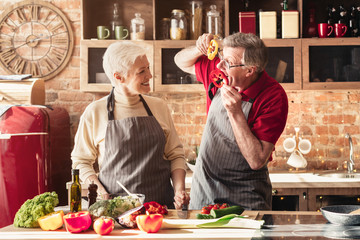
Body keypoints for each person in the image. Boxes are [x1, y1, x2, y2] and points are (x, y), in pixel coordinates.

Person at [174, 32, 288, 210]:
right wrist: (199, 49)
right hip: (204, 193)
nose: (220, 65)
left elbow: (257, 160)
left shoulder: (273, 96)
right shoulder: (219, 73)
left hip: (245, 198)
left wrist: (235, 112)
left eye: (227, 62)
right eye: (221, 57)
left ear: (250, 70)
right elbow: (180, 61)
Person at [72, 41, 189, 209]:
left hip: (160, 208)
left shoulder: (159, 107)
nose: (150, 75)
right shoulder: (95, 112)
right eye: (142, 71)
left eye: (148, 68)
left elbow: (176, 155)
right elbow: (80, 161)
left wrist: (179, 191)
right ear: (118, 77)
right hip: (116, 210)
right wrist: (99, 190)